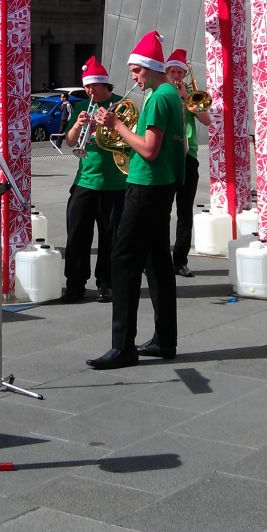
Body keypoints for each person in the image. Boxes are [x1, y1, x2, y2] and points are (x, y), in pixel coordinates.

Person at [87, 30, 185, 371]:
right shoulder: (170, 93)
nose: (134, 78)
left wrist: (116, 124)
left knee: (123, 260)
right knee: (157, 262)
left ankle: (122, 346)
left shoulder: (158, 98)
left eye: (137, 71)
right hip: (161, 185)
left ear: (153, 68)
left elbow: (148, 149)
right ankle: (165, 339)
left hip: (146, 186)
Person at [61, 57, 127, 303]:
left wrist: (112, 124)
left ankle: (107, 284)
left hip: (115, 182)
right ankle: (75, 284)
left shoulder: (121, 104)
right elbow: (70, 141)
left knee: (111, 237)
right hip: (85, 181)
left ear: (105, 85)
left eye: (94, 86)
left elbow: (131, 139)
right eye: (87, 87)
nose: (90, 91)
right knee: (77, 236)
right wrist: (78, 126)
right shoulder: (81, 106)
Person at [164, 49, 211, 278]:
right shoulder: (161, 94)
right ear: (166, 72)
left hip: (188, 157)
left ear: (184, 74)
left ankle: (179, 261)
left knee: (185, 212)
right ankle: (158, 259)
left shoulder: (191, 95)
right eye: (172, 72)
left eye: (179, 72)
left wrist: (186, 97)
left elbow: (207, 120)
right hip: (166, 156)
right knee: (161, 211)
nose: (176, 76)